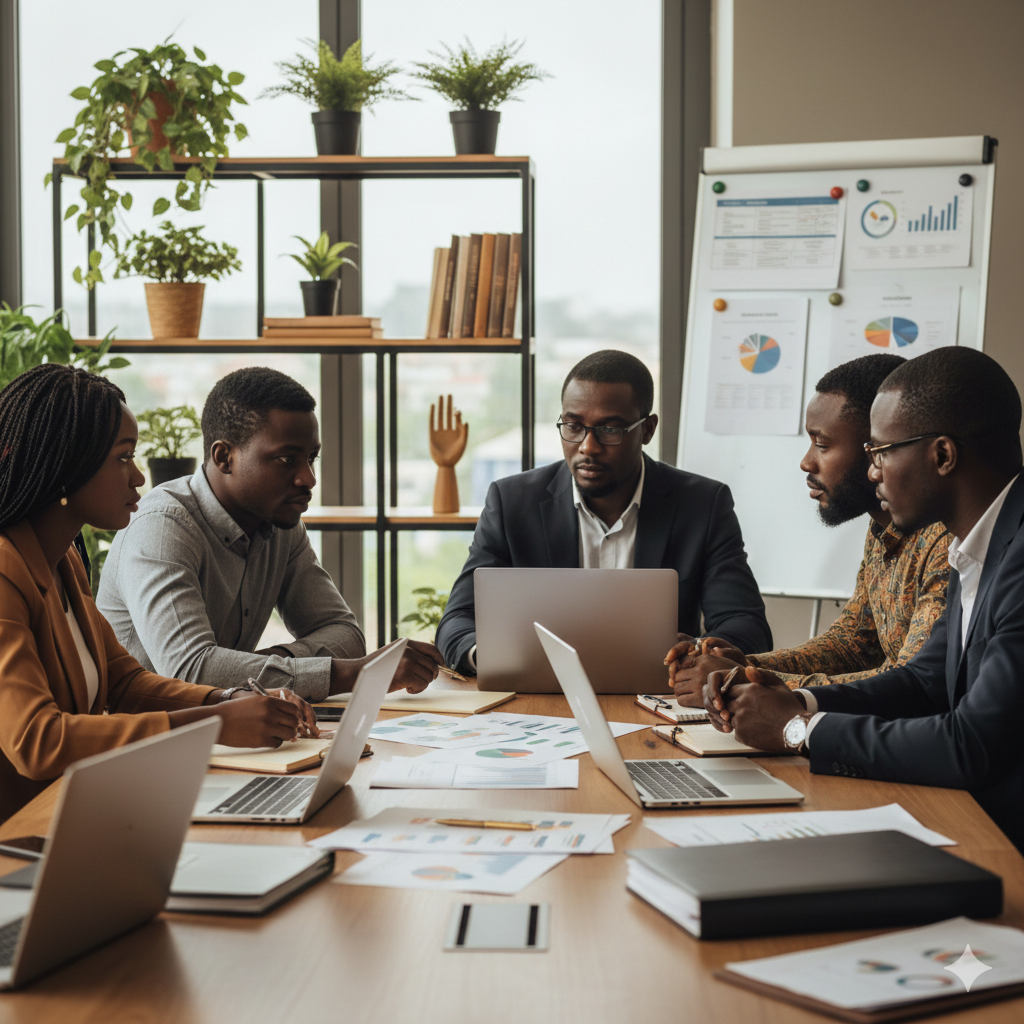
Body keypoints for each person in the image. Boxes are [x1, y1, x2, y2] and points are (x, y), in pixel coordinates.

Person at [702, 347, 1024, 853]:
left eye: (880, 452)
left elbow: (970, 744)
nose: (872, 473)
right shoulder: (977, 543)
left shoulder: (1015, 559)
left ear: (941, 455)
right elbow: (923, 681)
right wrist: (794, 698)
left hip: (1001, 840)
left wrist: (796, 728)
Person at [0, 364, 318, 821]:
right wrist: (215, 724)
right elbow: (38, 741)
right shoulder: (6, 570)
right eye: (123, 457)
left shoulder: (64, 560)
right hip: (20, 837)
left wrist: (226, 701)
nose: (138, 478)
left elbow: (124, 683)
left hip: (76, 816)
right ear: (70, 464)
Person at [98, 367, 443, 700]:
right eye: (285, 460)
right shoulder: (162, 527)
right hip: (143, 739)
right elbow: (191, 671)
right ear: (224, 457)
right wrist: (358, 673)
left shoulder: (279, 523)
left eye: (311, 458)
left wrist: (262, 667)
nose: (308, 479)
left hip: (225, 730)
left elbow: (346, 635)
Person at [436, 349, 771, 675]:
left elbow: (746, 625)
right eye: (573, 426)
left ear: (647, 430)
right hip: (537, 698)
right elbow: (458, 619)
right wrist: (491, 656)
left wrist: (697, 652)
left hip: (657, 698)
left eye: (609, 430)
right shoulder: (512, 503)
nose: (587, 447)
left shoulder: (702, 504)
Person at [667, 354, 950, 704]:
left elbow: (908, 682)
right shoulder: (881, 532)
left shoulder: (946, 542)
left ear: (875, 447)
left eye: (822, 444)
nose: (806, 462)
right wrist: (745, 663)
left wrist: (745, 679)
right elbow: (852, 645)